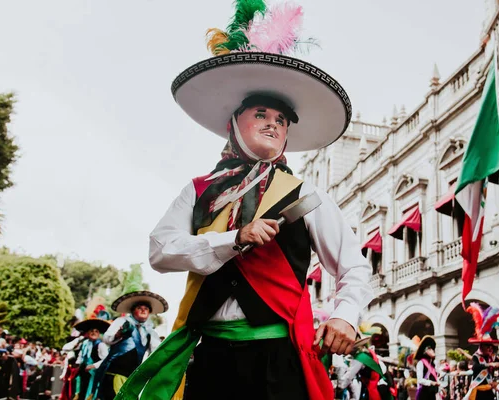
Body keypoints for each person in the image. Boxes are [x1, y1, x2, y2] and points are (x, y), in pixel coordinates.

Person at [115, 2, 372, 400]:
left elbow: (352, 265)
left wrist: (345, 316)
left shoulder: (305, 193)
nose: (273, 123)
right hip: (210, 355)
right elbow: (160, 251)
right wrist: (233, 239)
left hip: (279, 358)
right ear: (235, 122)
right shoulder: (198, 189)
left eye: (282, 120)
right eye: (262, 113)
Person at [94, 264, 166, 400]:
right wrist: (119, 334)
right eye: (140, 307)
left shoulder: (150, 331)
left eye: (146, 308)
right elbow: (107, 339)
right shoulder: (123, 322)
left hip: (132, 377)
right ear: (133, 310)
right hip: (114, 374)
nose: (144, 310)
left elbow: (155, 352)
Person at [462, 303, 499, 399]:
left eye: (491, 346)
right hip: (478, 392)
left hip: (489, 391)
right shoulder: (476, 357)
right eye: (487, 346)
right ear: (481, 346)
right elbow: (475, 367)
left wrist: (497, 381)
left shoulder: (493, 358)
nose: (490, 348)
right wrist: (489, 365)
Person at [72, 313, 110, 400]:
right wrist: (78, 364)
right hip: (83, 374)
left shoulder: (101, 345)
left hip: (94, 375)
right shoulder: (85, 343)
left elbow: (106, 360)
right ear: (87, 332)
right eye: (91, 331)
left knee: (90, 394)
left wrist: (93, 366)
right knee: (80, 392)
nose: (93, 333)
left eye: (96, 331)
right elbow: (81, 356)